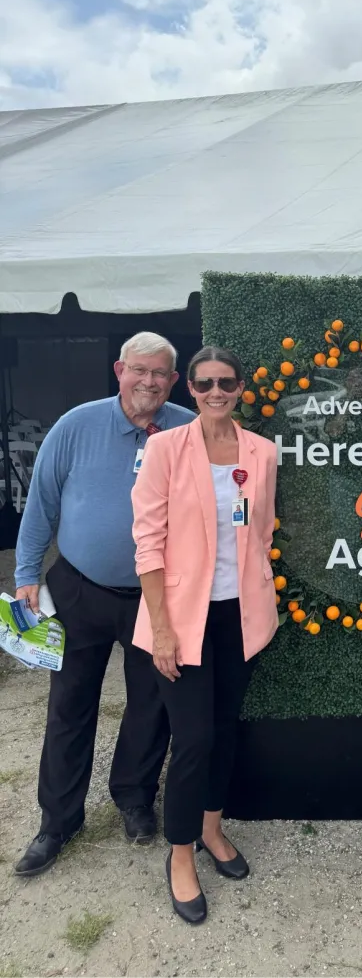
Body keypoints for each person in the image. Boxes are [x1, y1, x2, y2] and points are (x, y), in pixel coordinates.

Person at [13, 333, 195, 877]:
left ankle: (134, 798)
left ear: (173, 379)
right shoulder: (76, 425)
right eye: (139, 370)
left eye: (160, 373)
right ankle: (58, 821)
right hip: (80, 589)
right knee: (70, 705)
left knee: (150, 703)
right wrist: (25, 573)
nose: (149, 382)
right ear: (119, 370)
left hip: (157, 595)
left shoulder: (189, 429)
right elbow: (41, 501)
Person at [131, 345, 279, 925]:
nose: (216, 392)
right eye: (204, 383)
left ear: (240, 387)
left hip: (238, 615)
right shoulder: (164, 448)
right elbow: (147, 541)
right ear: (187, 389)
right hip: (180, 619)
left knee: (223, 730)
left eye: (226, 382)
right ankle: (181, 853)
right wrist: (162, 630)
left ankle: (214, 830)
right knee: (191, 739)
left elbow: (260, 527)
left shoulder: (261, 453)